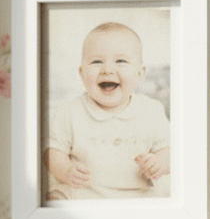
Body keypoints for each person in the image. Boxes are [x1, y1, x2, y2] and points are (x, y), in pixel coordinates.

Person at [45, 21, 170, 200]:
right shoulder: (69, 111)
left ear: (140, 74)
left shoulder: (151, 111)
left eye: (121, 61)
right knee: (54, 200)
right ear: (81, 73)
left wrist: (159, 163)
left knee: (163, 203)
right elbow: (53, 152)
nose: (108, 69)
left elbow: (169, 150)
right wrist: (66, 171)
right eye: (96, 61)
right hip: (80, 194)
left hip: (138, 197)